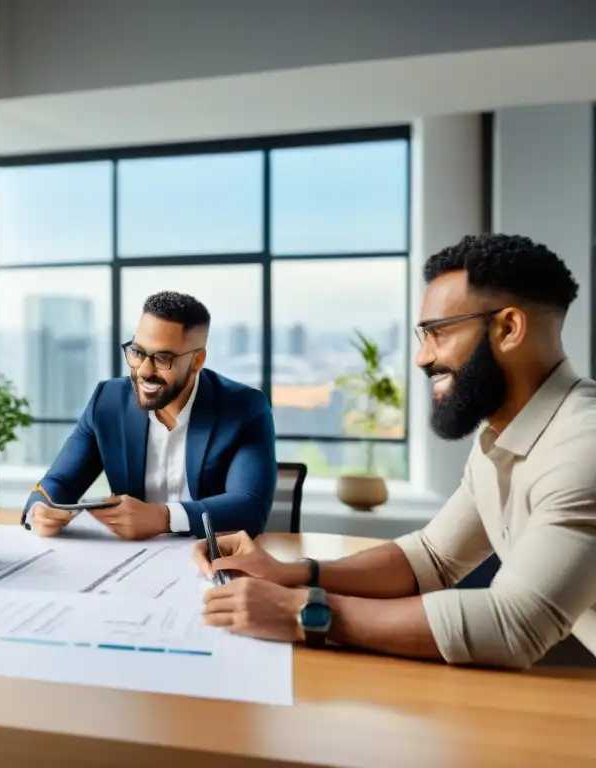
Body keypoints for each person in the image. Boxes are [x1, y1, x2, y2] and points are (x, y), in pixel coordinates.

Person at [195, 233, 596, 670]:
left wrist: (303, 611)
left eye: (437, 333)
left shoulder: (583, 445)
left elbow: (511, 626)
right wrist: (289, 573)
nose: (423, 358)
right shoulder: (501, 438)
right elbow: (432, 557)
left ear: (508, 328)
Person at [23, 290, 277, 540]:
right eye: (137, 352)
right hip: (129, 564)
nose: (144, 370)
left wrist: (162, 517)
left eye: (163, 357)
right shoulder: (108, 401)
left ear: (197, 361)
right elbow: (60, 481)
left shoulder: (244, 407)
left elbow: (249, 508)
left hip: (212, 560)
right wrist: (40, 509)